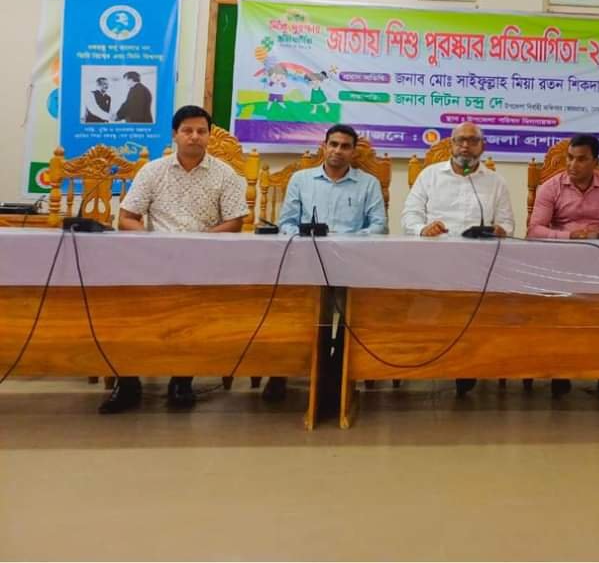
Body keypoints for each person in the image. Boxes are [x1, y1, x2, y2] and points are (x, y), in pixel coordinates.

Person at [99, 105, 249, 415]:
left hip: (204, 260)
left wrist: (199, 243)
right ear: (175, 135)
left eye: (201, 131)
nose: (194, 136)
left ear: (209, 136)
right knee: (125, 310)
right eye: (187, 130)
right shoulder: (153, 170)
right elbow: (126, 218)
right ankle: (127, 383)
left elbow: (235, 222)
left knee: (191, 318)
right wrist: (152, 243)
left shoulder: (226, 174)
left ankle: (181, 381)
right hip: (154, 259)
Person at [264, 125, 389, 402]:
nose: (338, 151)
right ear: (324, 146)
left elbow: (379, 226)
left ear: (353, 152)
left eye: (345, 146)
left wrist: (345, 240)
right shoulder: (301, 179)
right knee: (290, 312)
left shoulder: (368, 183)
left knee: (352, 313)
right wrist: (305, 238)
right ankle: (281, 371)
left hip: (351, 262)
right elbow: (286, 222)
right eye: (333, 144)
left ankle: (338, 372)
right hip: (306, 259)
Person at [401, 121, 514, 396]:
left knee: (479, 309)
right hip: (435, 260)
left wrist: (500, 230)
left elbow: (508, 224)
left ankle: (466, 363)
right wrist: (423, 229)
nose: (466, 145)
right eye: (460, 140)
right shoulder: (429, 175)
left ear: (482, 147)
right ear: (450, 145)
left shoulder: (495, 182)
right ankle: (431, 356)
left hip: (479, 262)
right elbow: (409, 216)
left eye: (473, 141)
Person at [527, 134, 599, 398]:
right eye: (570, 158)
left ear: (595, 162)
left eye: (581, 159)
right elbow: (534, 230)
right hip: (560, 262)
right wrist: (569, 236)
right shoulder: (550, 187)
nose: (573, 165)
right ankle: (560, 371)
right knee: (561, 315)